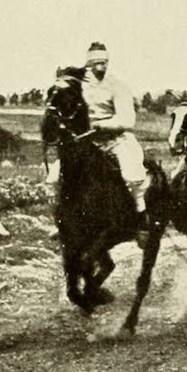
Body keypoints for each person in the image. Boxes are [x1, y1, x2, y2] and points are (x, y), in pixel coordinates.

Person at [68, 42, 150, 244]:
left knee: (132, 176)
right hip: (88, 142)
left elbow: (128, 120)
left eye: (104, 63)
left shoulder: (118, 86)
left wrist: (101, 124)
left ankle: (141, 220)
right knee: (58, 173)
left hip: (116, 140)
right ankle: (68, 221)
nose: (100, 68)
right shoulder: (79, 87)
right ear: (87, 64)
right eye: (95, 63)